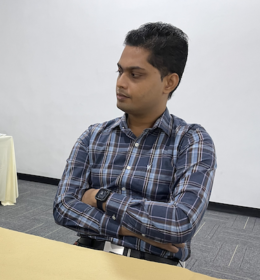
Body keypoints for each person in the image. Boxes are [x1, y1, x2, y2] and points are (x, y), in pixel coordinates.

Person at [53, 23, 216, 267]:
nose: (120, 83)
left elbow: (180, 223)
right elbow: (63, 207)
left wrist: (99, 196)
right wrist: (136, 232)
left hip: (154, 268)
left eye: (135, 74)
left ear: (169, 82)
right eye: (120, 72)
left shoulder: (191, 141)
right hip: (88, 257)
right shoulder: (94, 136)